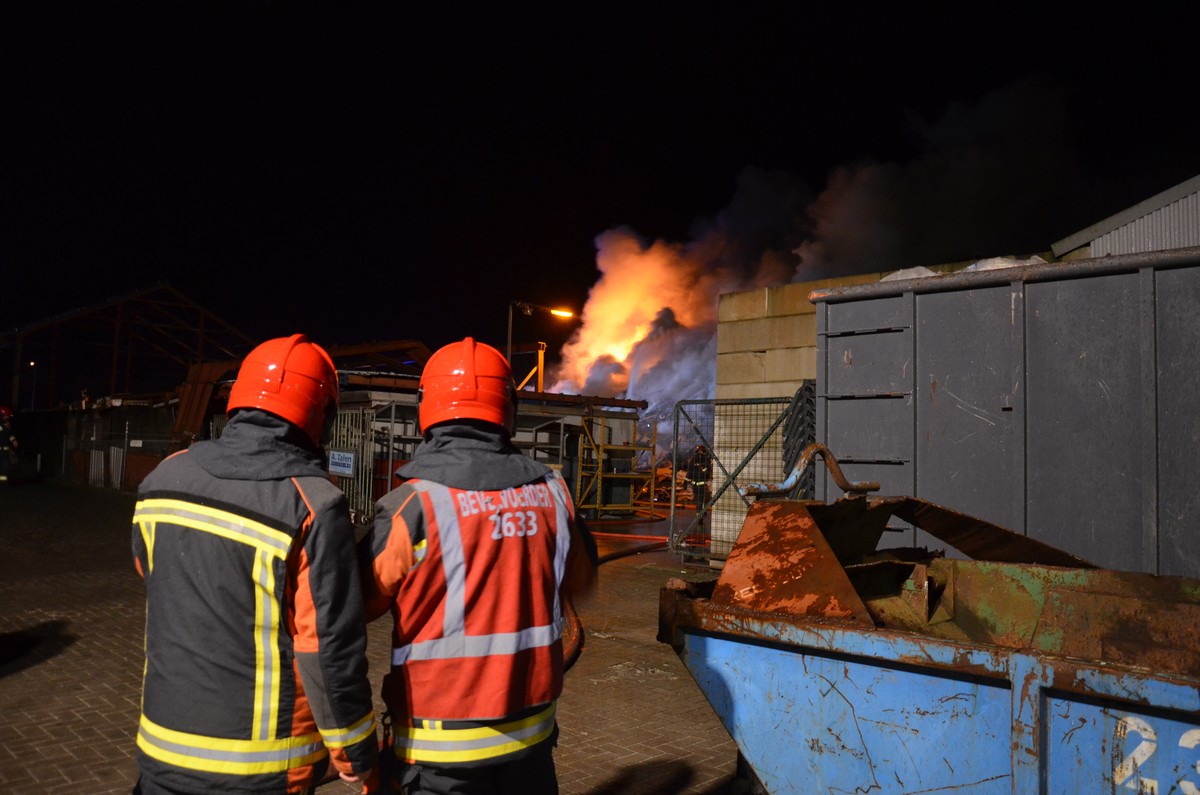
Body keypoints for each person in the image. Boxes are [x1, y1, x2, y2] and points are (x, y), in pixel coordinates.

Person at [130, 334, 378, 794]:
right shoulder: (314, 504)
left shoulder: (163, 477)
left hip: (160, 752)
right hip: (258, 771)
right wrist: (356, 755)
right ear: (321, 415)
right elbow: (325, 653)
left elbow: (153, 575)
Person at [360, 337, 597, 795]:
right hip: (530, 744)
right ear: (507, 406)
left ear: (426, 407)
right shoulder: (553, 494)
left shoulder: (411, 505)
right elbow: (581, 583)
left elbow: (357, 606)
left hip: (440, 754)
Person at [0, 405, 17, 482]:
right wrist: (3, 427)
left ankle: (3, 480)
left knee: (5, 465)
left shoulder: (7, 425)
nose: (7, 418)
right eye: (6, 416)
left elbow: (9, 434)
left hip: (5, 450)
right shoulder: (2, 425)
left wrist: (13, 440)